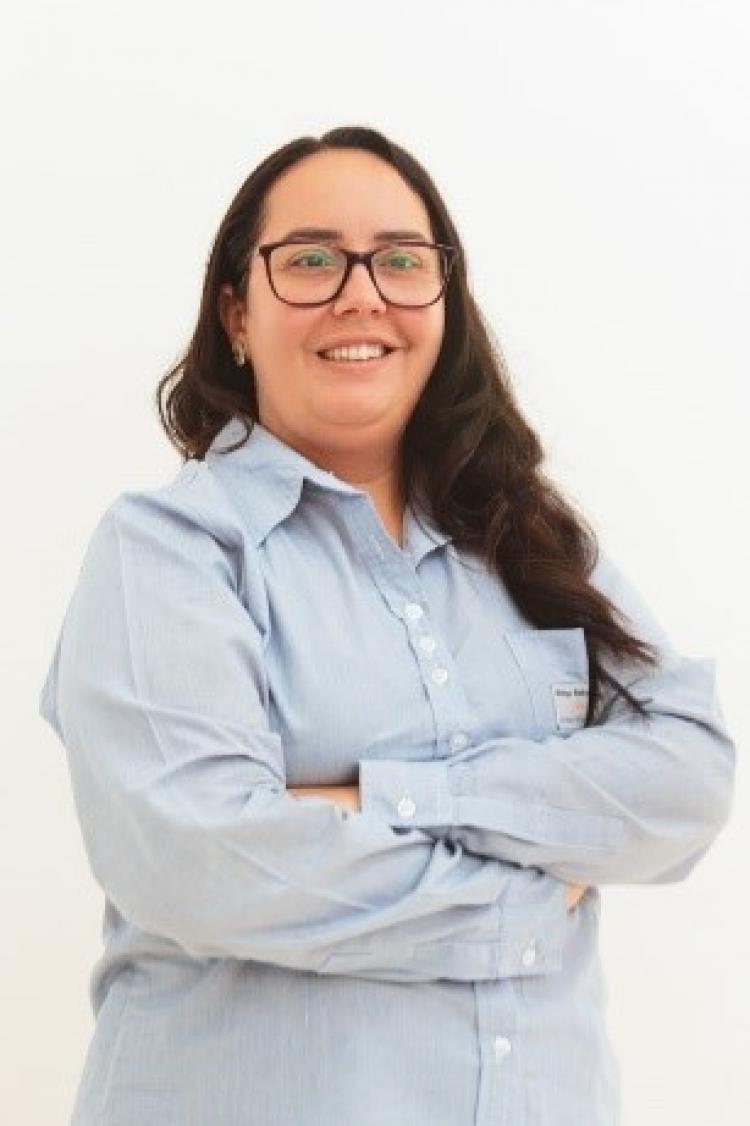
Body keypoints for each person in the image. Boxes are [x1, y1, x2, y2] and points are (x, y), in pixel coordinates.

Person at [38, 125, 736, 1126]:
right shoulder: (169, 553)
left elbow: (689, 770)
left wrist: (385, 796)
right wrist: (531, 890)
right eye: (310, 260)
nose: (361, 294)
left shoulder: (535, 543)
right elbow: (206, 863)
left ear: (444, 302)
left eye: (401, 261)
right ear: (236, 313)